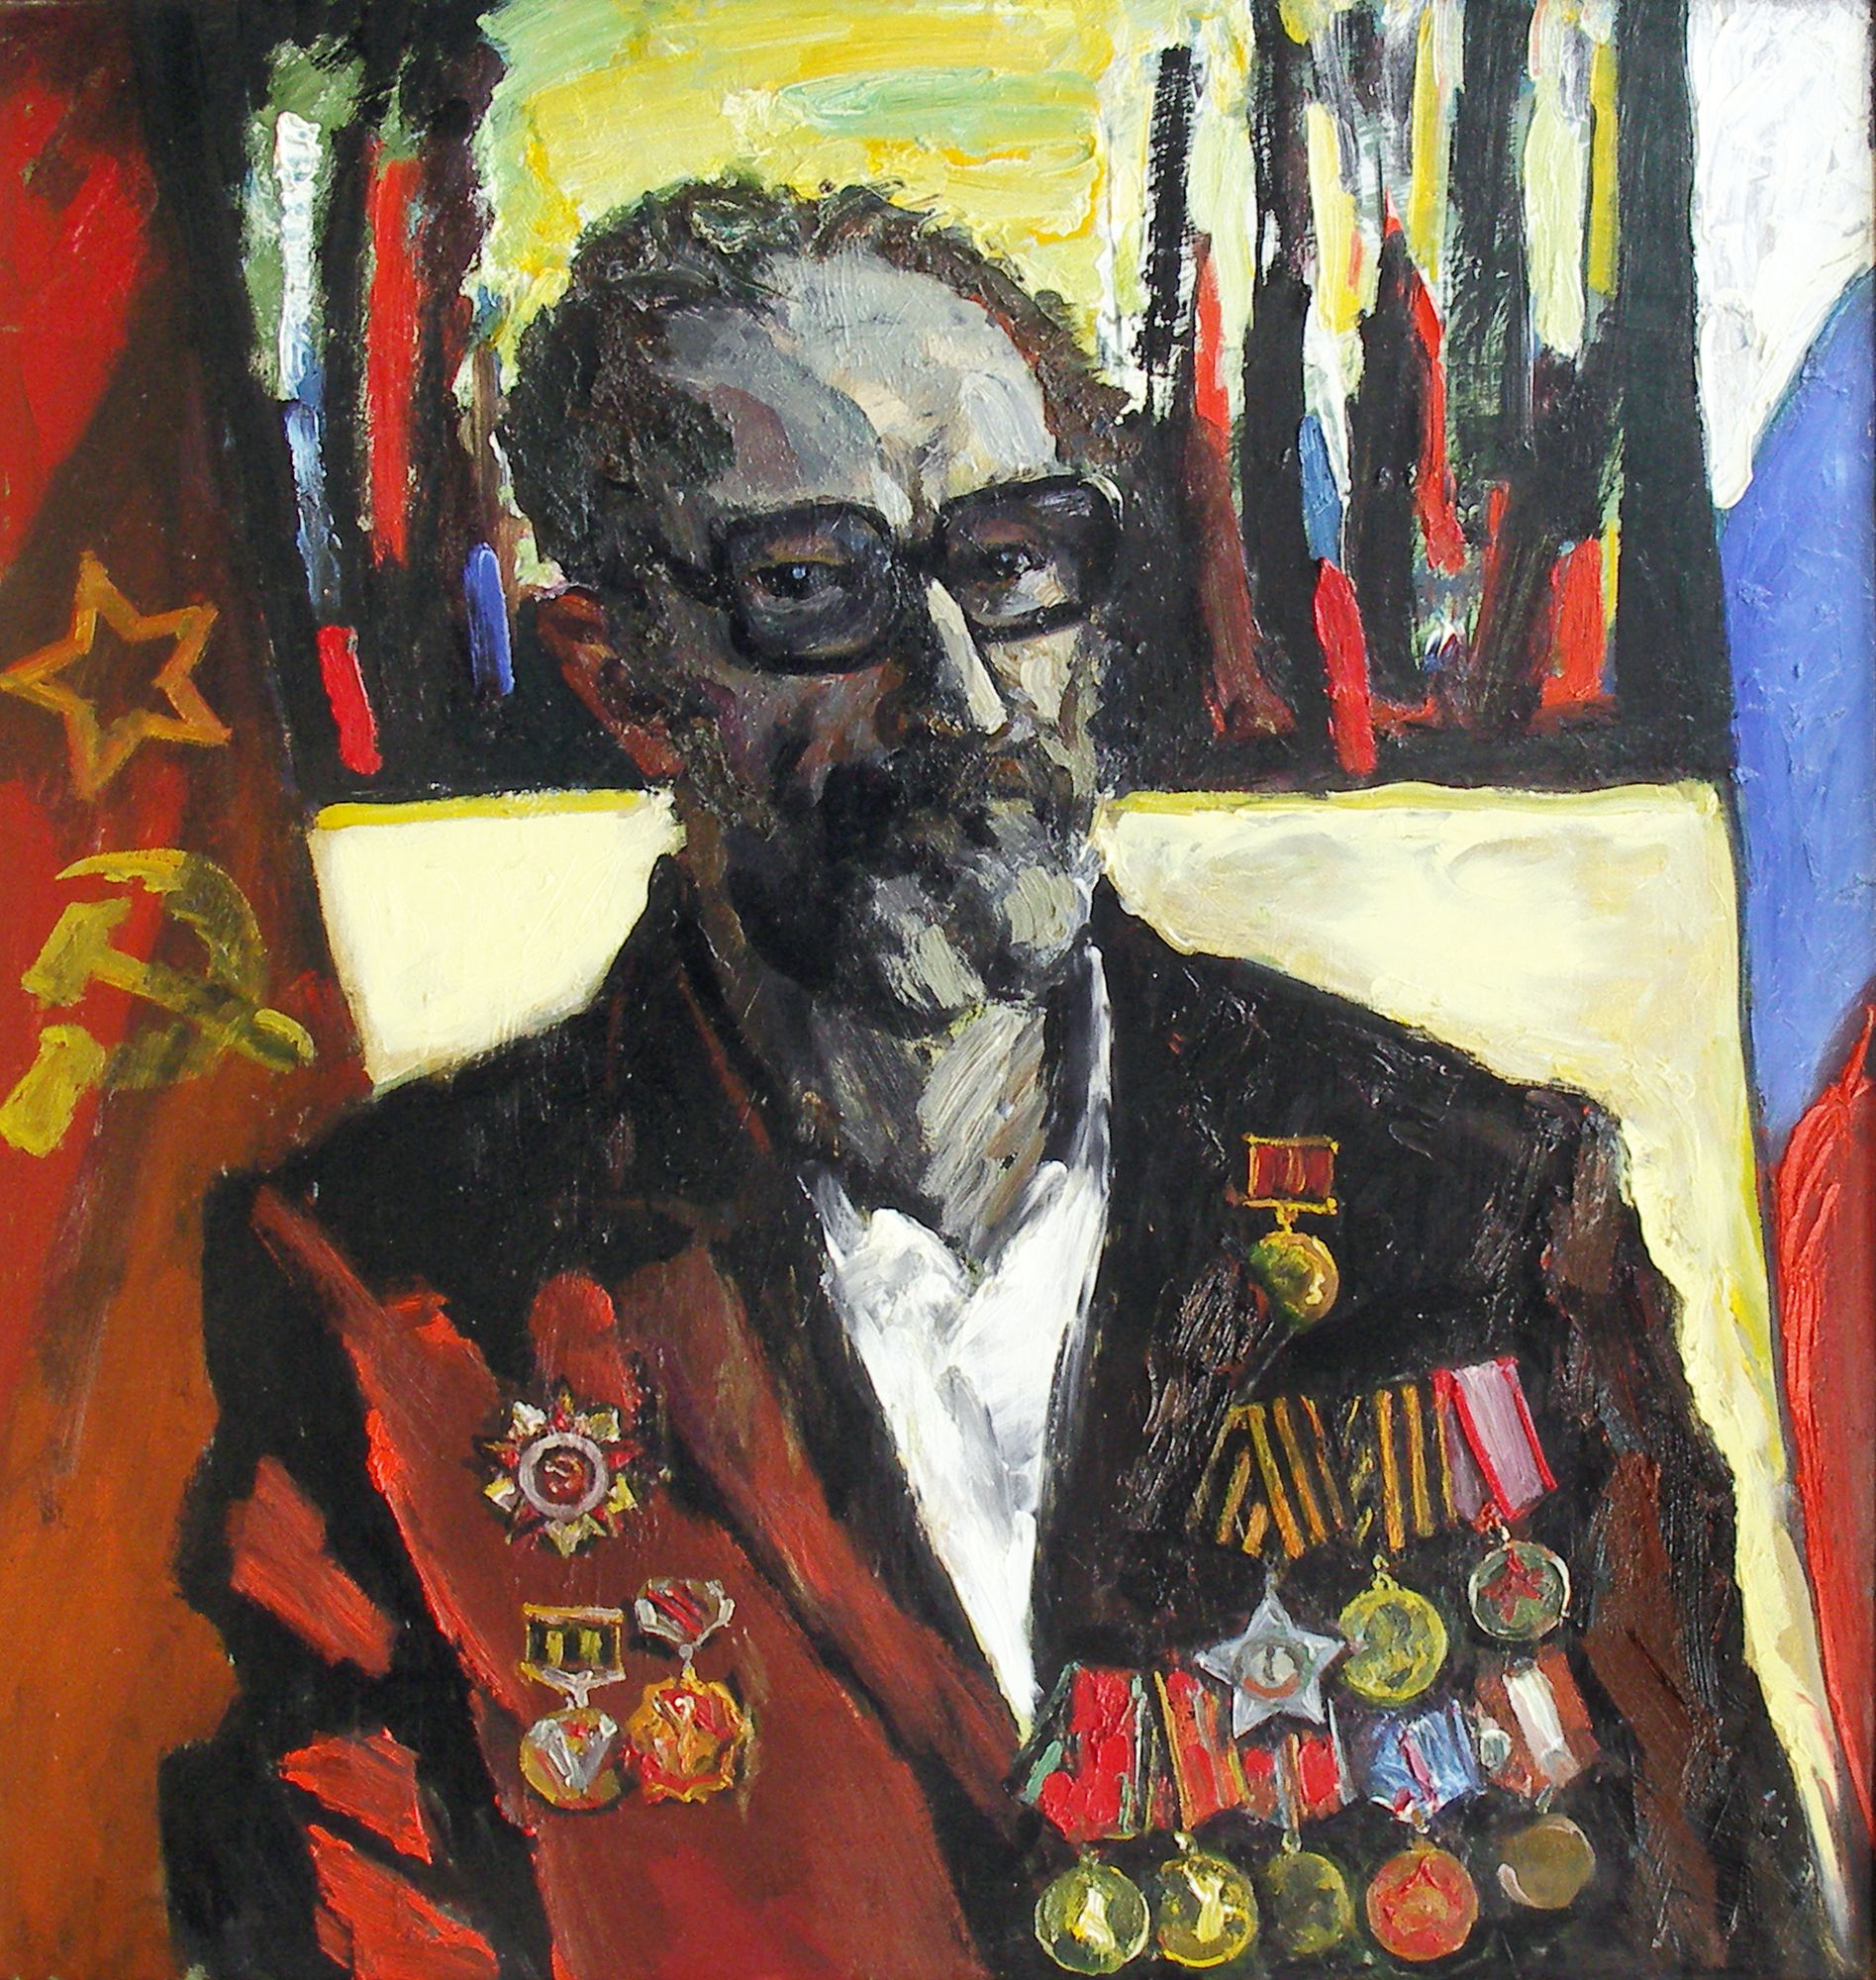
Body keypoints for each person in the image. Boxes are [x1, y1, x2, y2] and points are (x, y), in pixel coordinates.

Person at [163, 180, 1827, 1979]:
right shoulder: (384, 1285)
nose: (961, 692)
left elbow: (1726, 1911)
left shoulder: (1476, 1204)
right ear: (622, 681)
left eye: (1015, 562)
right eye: (813, 588)